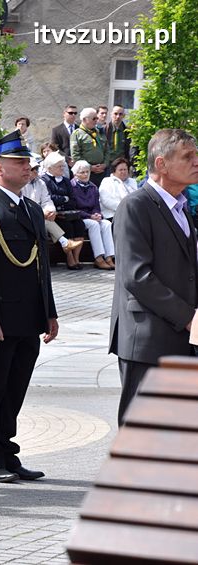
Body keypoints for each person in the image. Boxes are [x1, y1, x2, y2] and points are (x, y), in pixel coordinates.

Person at [0, 130, 58, 483]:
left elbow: (41, 267)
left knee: (14, 389)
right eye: (19, 163)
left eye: (27, 162)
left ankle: (6, 451)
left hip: (26, 318)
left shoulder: (31, 209)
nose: (27, 168)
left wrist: (49, 311)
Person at [110, 128, 198, 424]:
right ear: (161, 164)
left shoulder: (181, 208)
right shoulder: (135, 206)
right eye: (188, 156)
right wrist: (189, 317)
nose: (196, 161)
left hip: (180, 337)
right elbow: (137, 276)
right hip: (147, 339)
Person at [22, 158, 82, 263]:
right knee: (44, 220)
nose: (36, 171)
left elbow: (47, 200)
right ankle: (65, 243)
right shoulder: (21, 183)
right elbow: (24, 202)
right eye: (33, 169)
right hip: (26, 214)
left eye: (37, 168)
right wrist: (42, 212)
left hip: (41, 215)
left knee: (47, 219)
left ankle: (65, 245)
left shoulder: (40, 183)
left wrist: (51, 210)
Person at [41, 151, 85, 269]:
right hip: (55, 214)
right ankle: (69, 258)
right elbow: (50, 198)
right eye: (59, 166)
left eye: (62, 165)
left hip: (69, 212)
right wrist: (64, 199)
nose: (62, 168)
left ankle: (76, 258)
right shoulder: (45, 180)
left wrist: (63, 200)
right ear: (50, 167)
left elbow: (73, 199)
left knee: (79, 225)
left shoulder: (65, 180)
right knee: (67, 227)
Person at [71, 160, 115, 270]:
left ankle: (109, 257)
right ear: (75, 173)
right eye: (82, 172)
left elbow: (96, 205)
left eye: (87, 172)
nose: (85, 174)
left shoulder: (93, 187)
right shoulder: (72, 187)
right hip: (80, 217)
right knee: (93, 225)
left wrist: (97, 214)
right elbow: (74, 208)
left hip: (92, 216)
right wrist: (89, 216)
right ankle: (98, 258)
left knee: (106, 224)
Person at [70, 107, 108, 187]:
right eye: (94, 118)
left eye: (96, 118)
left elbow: (107, 150)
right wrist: (90, 167)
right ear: (84, 119)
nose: (96, 121)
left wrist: (105, 164)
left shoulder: (99, 132)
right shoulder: (77, 134)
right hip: (87, 174)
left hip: (102, 171)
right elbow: (76, 156)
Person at [98, 157, 138, 221]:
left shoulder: (132, 181)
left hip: (132, 213)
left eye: (125, 169)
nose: (123, 172)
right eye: (120, 170)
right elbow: (105, 200)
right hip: (113, 214)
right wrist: (124, 208)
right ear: (114, 171)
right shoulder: (107, 181)